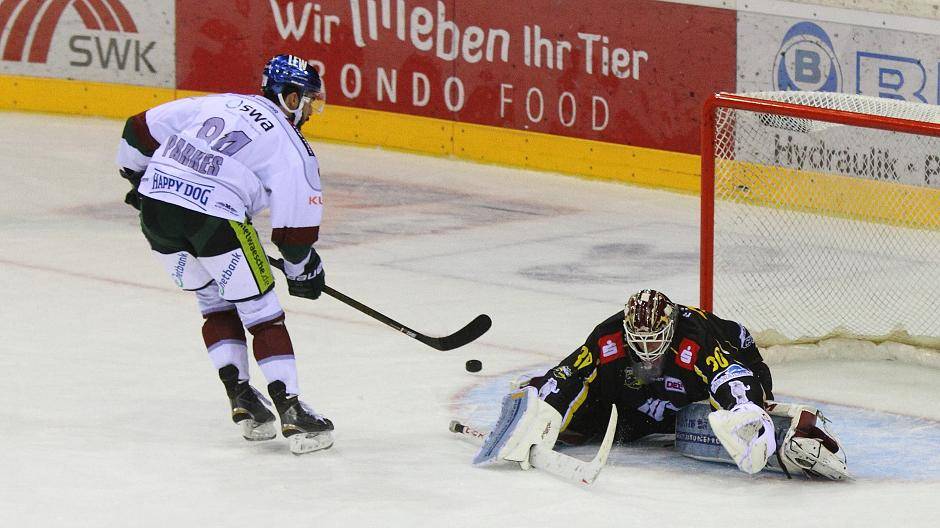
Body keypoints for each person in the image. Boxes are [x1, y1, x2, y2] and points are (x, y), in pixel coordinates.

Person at [115, 54, 334, 455]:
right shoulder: (292, 146)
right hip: (215, 219)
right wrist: (303, 270)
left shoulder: (220, 102)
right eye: (307, 101)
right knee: (262, 312)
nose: (308, 111)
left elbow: (137, 130)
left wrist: (138, 182)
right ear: (290, 98)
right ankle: (291, 410)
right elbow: (294, 236)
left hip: (157, 210)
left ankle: (243, 399)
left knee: (213, 302)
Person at [473, 289, 848, 479]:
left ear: (670, 330)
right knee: (575, 415)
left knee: (720, 416)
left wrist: (746, 407)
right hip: (644, 394)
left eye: (655, 341)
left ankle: (769, 427)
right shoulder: (609, 335)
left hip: (728, 367)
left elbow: (730, 374)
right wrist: (541, 403)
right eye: (639, 340)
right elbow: (570, 372)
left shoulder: (694, 337)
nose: (647, 349)